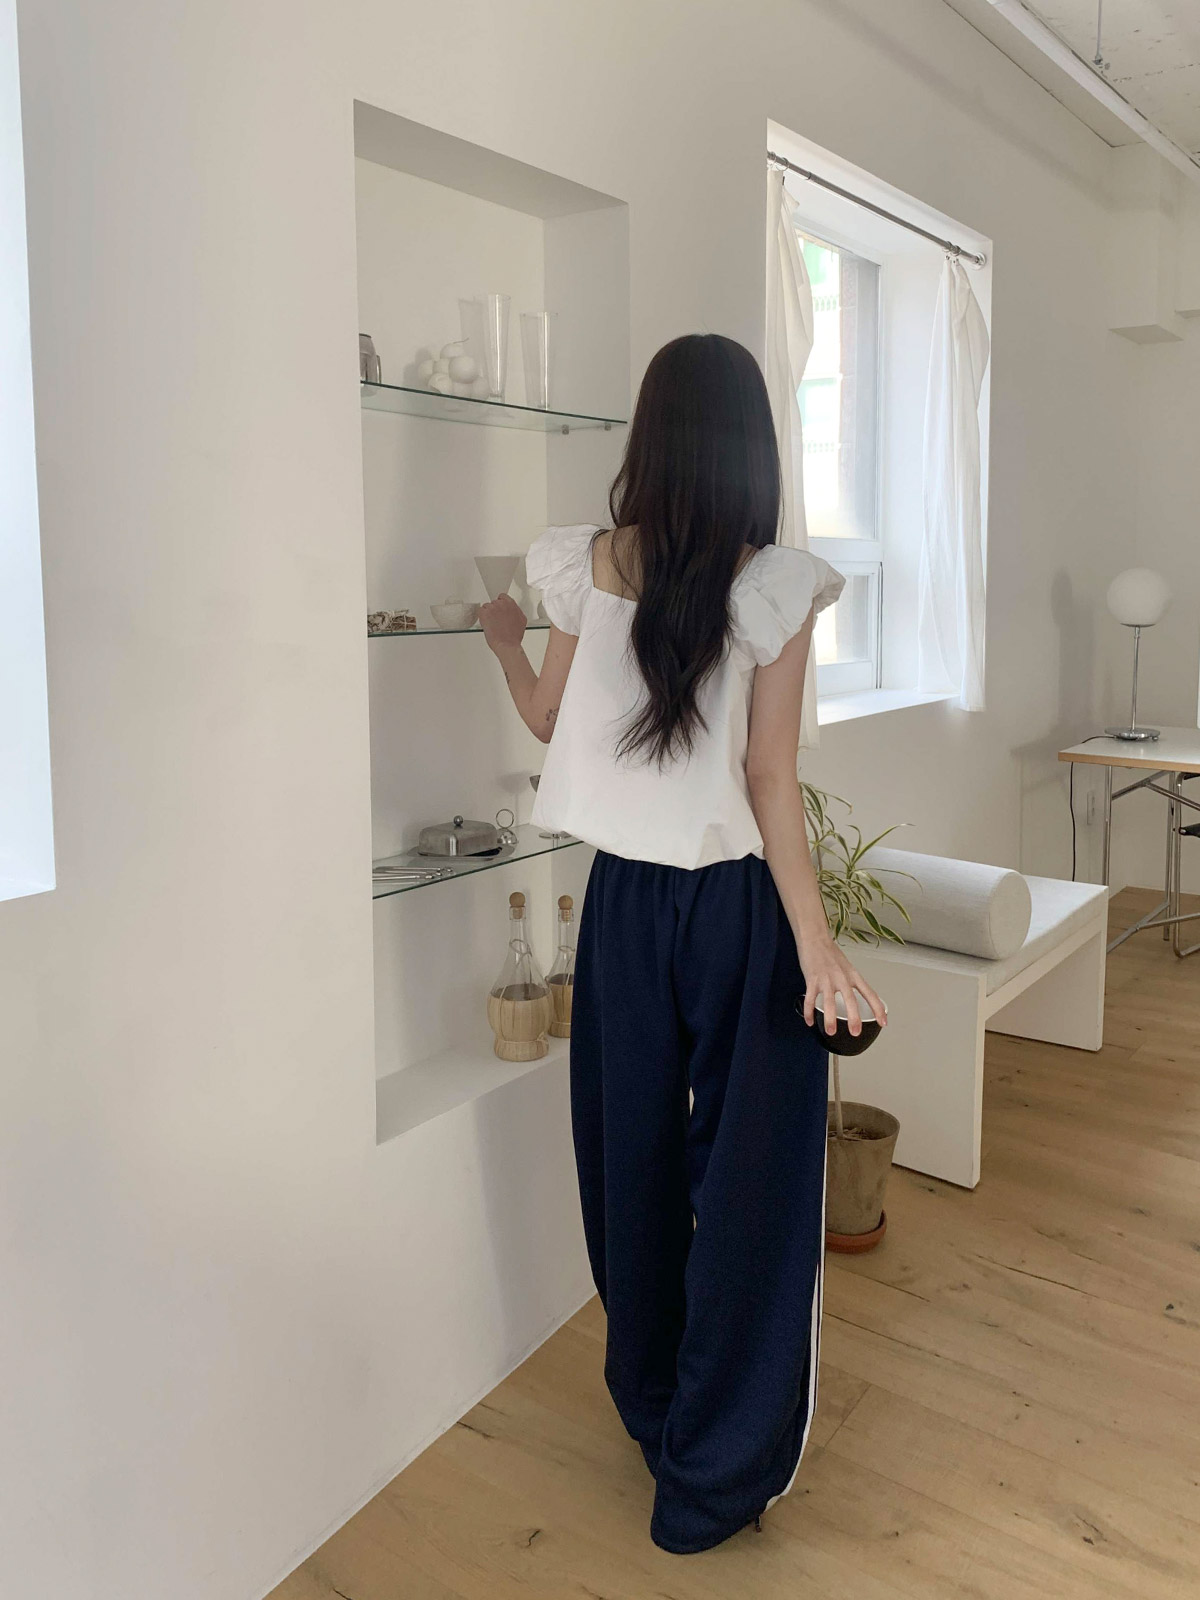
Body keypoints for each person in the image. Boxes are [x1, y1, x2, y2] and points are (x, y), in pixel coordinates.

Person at [479, 333, 887, 1555]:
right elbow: (769, 779)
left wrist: (502, 638)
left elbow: (546, 718)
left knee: (632, 1158)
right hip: (736, 911)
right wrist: (817, 944)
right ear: (753, 445)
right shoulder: (775, 587)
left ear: (649, 436)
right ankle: (713, 1471)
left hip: (621, 909)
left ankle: (654, 1407)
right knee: (752, 1178)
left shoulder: (591, 563)